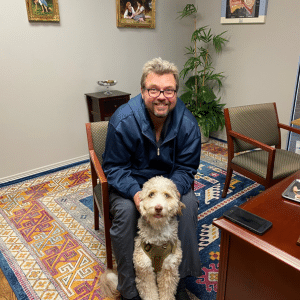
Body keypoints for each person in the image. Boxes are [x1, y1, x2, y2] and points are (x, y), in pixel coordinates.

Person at [102, 57, 202, 300]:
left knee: (187, 207)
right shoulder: (122, 121)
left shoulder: (188, 124)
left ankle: (178, 282)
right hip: (131, 185)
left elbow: (187, 168)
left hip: (169, 183)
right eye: (154, 89)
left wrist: (171, 193)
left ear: (176, 93)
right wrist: (136, 194)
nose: (161, 96)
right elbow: (114, 167)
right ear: (142, 91)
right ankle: (128, 288)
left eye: (168, 90)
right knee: (126, 213)